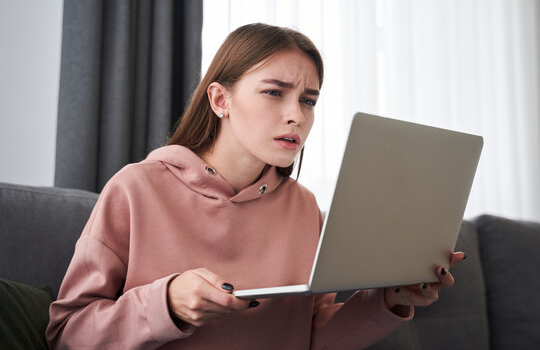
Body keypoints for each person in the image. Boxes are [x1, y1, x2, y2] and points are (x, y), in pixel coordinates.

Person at [46, 23, 465, 350]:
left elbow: (312, 337)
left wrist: (390, 299)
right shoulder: (136, 189)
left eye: (308, 100)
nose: (296, 116)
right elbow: (67, 336)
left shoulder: (304, 208)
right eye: (274, 92)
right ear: (219, 100)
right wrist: (166, 304)